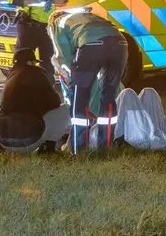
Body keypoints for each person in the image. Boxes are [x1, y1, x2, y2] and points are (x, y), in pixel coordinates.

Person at [48, 9, 128, 153]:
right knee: (108, 98)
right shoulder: (84, 18)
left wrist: (71, 79)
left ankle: (78, 151)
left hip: (92, 45)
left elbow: (63, 58)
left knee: (80, 100)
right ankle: (106, 148)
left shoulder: (57, 23)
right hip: (120, 43)